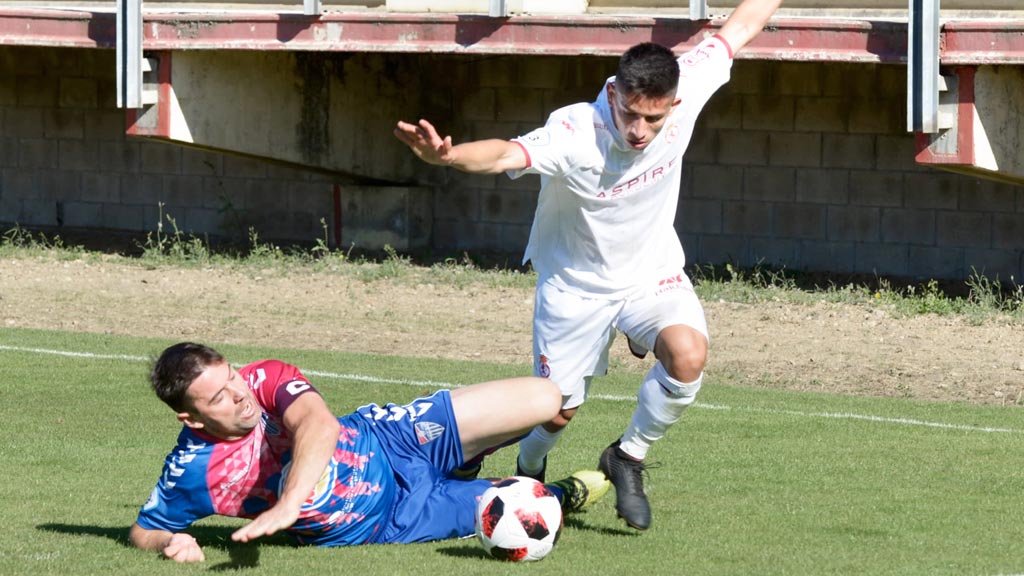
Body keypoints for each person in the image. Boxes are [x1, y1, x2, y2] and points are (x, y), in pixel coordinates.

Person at [394, 0, 783, 531]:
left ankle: (627, 457)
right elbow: (506, 154)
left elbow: (742, 24)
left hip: (650, 274)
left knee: (688, 356)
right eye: (630, 114)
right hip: (575, 288)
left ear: (674, 102)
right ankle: (528, 470)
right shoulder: (575, 131)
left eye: (654, 118)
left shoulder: (689, 84)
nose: (640, 130)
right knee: (554, 411)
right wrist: (448, 156)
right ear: (613, 94)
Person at [129, 342, 609, 562]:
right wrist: (170, 542)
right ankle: (558, 494)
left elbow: (318, 423)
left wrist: (289, 503)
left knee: (545, 398)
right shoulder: (193, 472)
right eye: (219, 397)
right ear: (192, 419)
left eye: (232, 376)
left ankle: (463, 462)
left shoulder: (264, 378)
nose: (240, 394)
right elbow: (144, 529)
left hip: (392, 439)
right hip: (390, 523)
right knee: (521, 513)